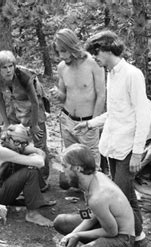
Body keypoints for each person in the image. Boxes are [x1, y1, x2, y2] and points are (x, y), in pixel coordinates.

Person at [74, 30, 151, 245]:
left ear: (108, 49)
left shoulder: (132, 74)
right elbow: (115, 113)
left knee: (121, 195)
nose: (95, 58)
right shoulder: (111, 73)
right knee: (125, 194)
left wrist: (137, 152)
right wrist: (90, 123)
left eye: (96, 52)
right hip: (112, 146)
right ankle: (137, 233)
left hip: (127, 148)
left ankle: (132, 237)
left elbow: (143, 115)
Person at [54, 144, 146, 247]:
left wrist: (78, 235)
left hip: (122, 239)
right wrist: (72, 234)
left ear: (77, 168)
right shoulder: (95, 177)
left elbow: (112, 232)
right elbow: (92, 214)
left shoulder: (98, 197)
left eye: (65, 166)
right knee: (61, 222)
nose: (63, 171)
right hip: (106, 223)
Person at [0, 124, 56, 227]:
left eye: (24, 143)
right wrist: (37, 153)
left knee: (25, 163)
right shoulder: (0, 151)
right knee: (31, 172)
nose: (20, 146)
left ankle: (37, 199)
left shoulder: (5, 144)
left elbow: (34, 153)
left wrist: (35, 152)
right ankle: (32, 214)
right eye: (17, 142)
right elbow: (40, 162)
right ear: (7, 138)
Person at [0, 50, 50, 180]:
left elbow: (34, 102)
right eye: (4, 67)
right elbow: (0, 100)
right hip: (14, 109)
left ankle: (43, 178)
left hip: (34, 110)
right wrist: (6, 122)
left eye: (11, 66)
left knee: (39, 143)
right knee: (15, 142)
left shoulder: (24, 77)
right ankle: (22, 176)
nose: (8, 70)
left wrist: (34, 125)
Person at [50, 28, 106, 167]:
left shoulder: (93, 63)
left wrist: (93, 124)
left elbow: (101, 95)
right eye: (58, 51)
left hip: (87, 122)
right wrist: (57, 94)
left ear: (72, 46)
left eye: (63, 51)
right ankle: (78, 188)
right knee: (72, 163)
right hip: (67, 120)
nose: (61, 55)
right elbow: (63, 96)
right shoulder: (62, 67)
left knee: (92, 164)